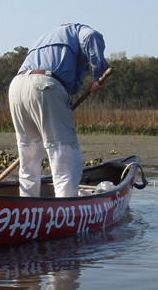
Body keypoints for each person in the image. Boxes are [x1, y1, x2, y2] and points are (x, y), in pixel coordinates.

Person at [8, 22, 108, 197]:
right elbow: (92, 36)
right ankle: (66, 204)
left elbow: (71, 82)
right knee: (63, 151)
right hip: (44, 85)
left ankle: (27, 205)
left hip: (16, 87)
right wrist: (98, 76)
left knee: (29, 152)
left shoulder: (45, 38)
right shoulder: (80, 31)